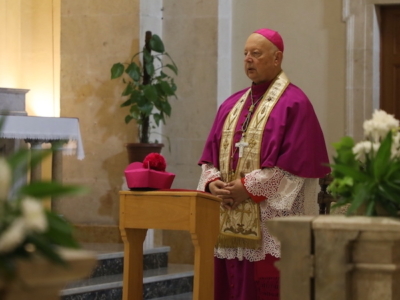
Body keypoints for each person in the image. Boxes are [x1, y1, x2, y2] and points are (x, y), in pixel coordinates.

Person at [197, 28, 330, 300]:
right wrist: (214, 184)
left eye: (256, 54)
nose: (248, 59)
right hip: (227, 218)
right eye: (245, 54)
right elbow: (210, 157)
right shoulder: (231, 105)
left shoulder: (295, 104)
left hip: (269, 223)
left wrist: (246, 187)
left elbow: (294, 168)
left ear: (277, 58)